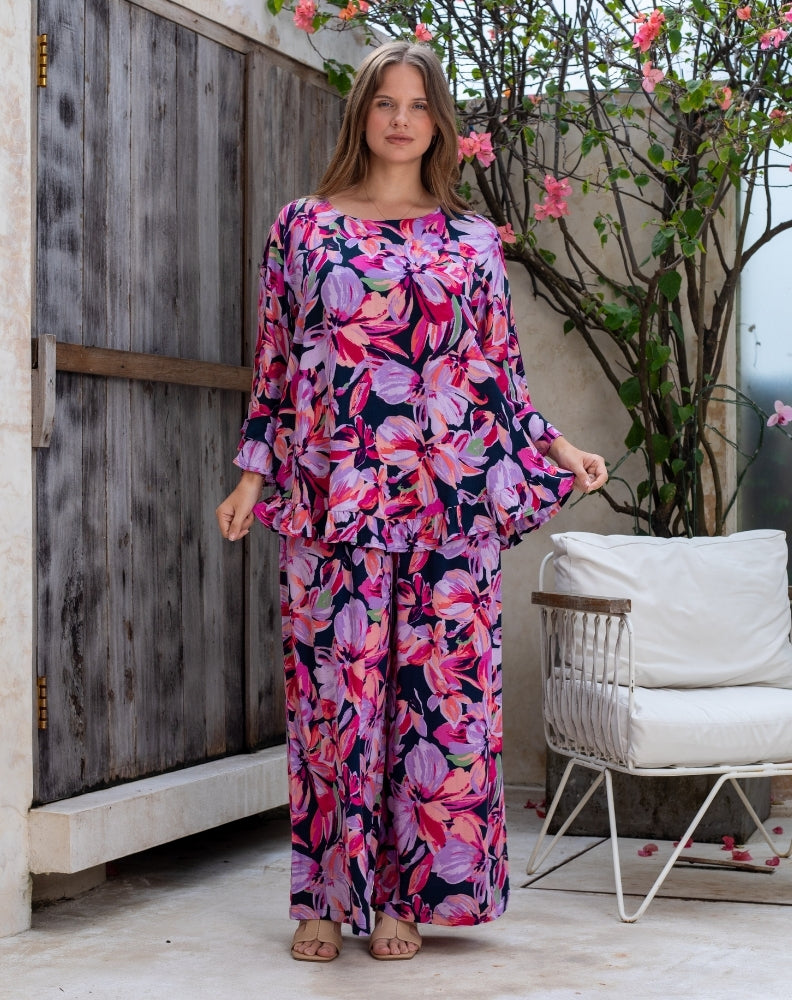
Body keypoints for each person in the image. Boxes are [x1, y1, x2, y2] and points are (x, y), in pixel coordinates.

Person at [216, 39, 607, 963]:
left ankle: (407, 901)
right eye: (385, 102)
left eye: (418, 105)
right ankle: (323, 899)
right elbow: (276, 369)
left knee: (438, 705)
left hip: (447, 503)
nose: (400, 119)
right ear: (362, 115)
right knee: (333, 704)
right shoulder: (303, 227)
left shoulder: (472, 241)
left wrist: (560, 445)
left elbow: (498, 376)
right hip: (330, 499)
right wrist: (250, 475)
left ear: (440, 122)